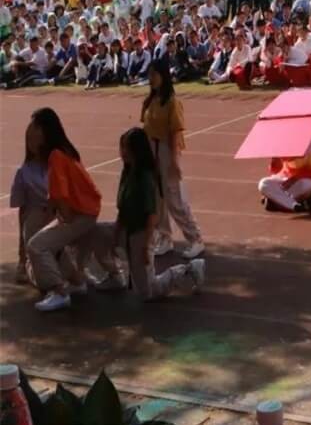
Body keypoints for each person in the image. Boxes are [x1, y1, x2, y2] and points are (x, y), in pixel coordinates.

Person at [87, 128, 206, 298]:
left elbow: (152, 215)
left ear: (137, 150)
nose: (122, 152)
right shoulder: (127, 172)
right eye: (122, 147)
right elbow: (122, 207)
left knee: (148, 291)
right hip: (127, 230)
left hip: (142, 234)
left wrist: (145, 247)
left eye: (126, 148)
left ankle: (189, 270)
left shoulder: (145, 177)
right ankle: (115, 276)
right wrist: (116, 233)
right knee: (96, 232)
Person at [26, 108, 102, 312]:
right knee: (51, 242)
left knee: (36, 246)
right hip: (86, 210)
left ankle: (59, 292)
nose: (31, 131)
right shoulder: (64, 150)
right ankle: (77, 282)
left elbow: (60, 193)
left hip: (80, 213)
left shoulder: (56, 156)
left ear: (44, 130)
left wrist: (64, 218)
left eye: (35, 127)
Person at [141, 58, 205, 259]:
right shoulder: (151, 99)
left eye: (154, 75)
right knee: (158, 199)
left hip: (166, 151)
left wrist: (175, 162)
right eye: (149, 75)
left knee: (174, 198)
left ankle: (195, 238)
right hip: (151, 150)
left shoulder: (172, 102)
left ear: (163, 76)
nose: (150, 79)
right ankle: (165, 237)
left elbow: (176, 132)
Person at [9, 122, 54, 284]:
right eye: (30, 139)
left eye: (38, 139)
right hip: (34, 222)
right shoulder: (24, 172)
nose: (34, 144)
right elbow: (22, 210)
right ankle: (28, 265)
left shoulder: (58, 165)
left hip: (56, 219)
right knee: (43, 278)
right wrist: (21, 254)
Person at [258, 122, 311, 214]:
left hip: (302, 181)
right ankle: (292, 205)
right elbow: (277, 171)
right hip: (285, 179)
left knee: (309, 186)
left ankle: (276, 201)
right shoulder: (283, 145)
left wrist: (295, 178)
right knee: (263, 183)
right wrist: (274, 161)